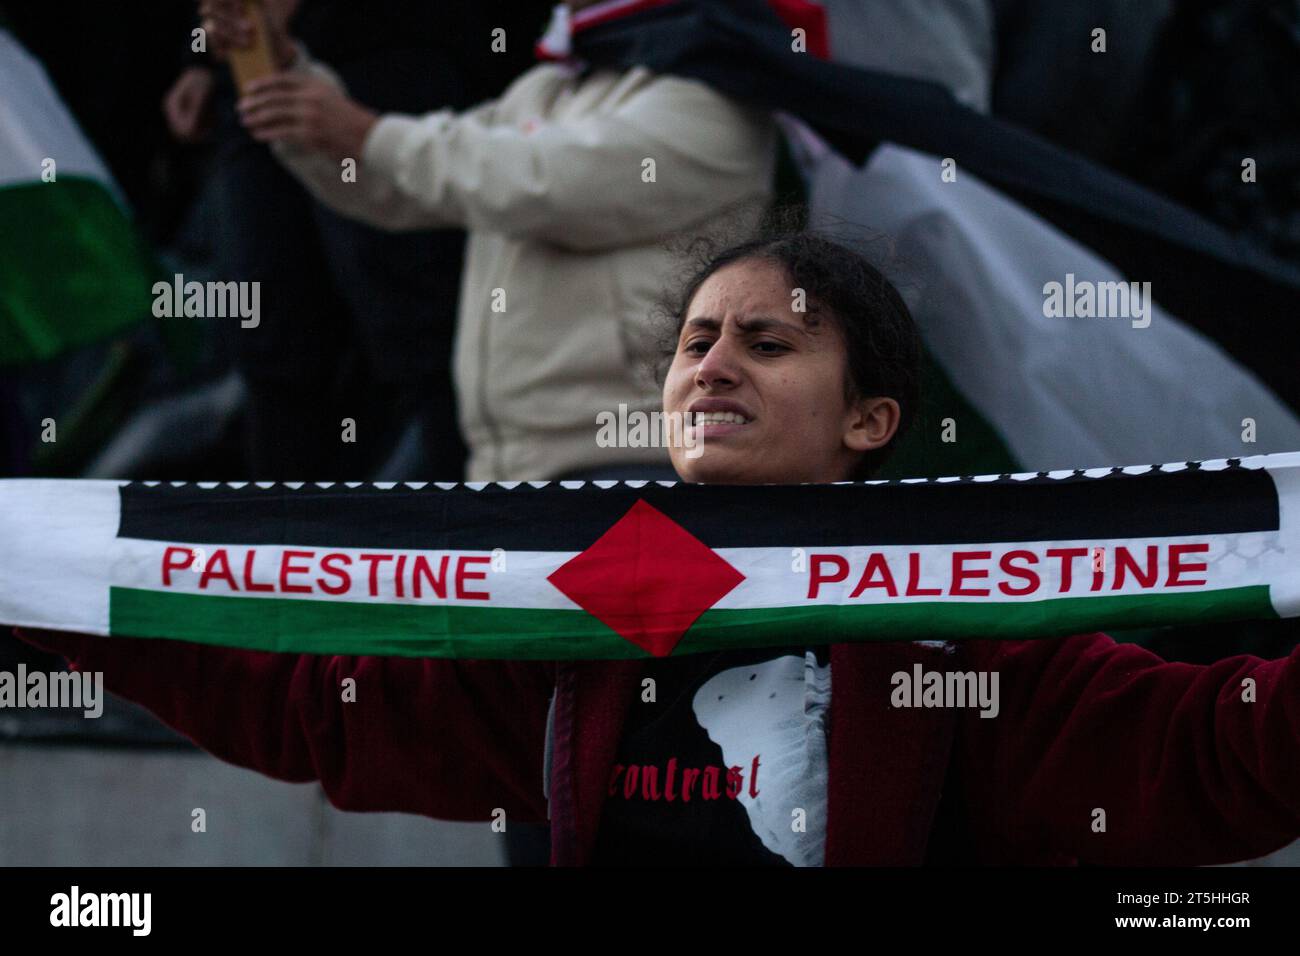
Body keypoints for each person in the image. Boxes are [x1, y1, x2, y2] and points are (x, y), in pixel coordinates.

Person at [15, 230, 1300, 865]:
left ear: (871, 419)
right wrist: (45, 584)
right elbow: (318, 705)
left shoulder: (952, 617)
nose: (713, 364)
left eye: (767, 341)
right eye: (694, 341)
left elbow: (1212, 750)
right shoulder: (575, 592)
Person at [196, 0, 778, 482]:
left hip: (636, 469)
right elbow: (401, 188)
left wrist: (362, 130)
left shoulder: (712, 98)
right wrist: (282, 75)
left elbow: (530, 182)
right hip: (509, 472)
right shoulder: (550, 86)